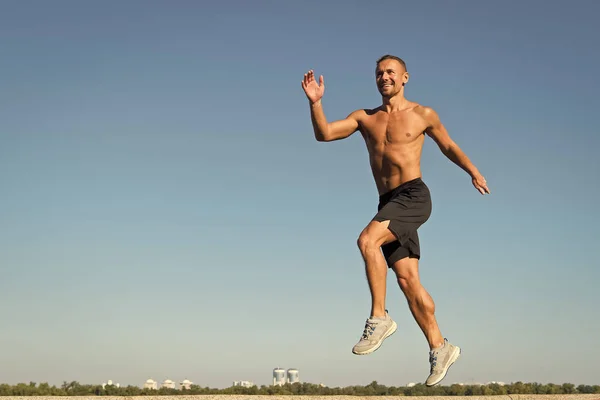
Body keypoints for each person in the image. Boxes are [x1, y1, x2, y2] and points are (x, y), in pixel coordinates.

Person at [301, 55, 490, 387]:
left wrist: (473, 172)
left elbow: (447, 145)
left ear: (405, 78)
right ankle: (440, 347)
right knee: (407, 281)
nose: (384, 76)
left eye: (390, 72)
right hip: (388, 203)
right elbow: (325, 134)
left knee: (367, 241)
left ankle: (379, 317)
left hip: (413, 196)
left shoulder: (422, 114)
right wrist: (316, 104)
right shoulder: (365, 118)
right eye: (379, 73)